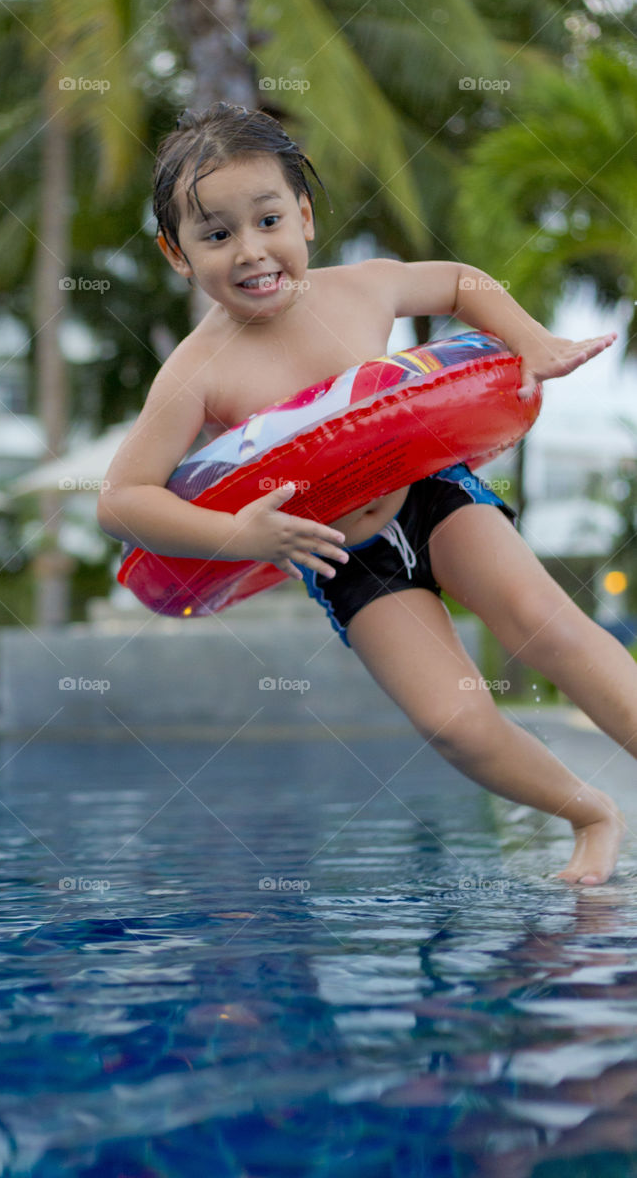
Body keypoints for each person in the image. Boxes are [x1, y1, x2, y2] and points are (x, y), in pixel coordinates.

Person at [98, 102, 635, 887]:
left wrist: (531, 338)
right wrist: (242, 539)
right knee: (453, 723)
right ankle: (590, 811)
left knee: (544, 628)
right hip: (339, 552)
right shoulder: (196, 368)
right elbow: (121, 500)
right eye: (216, 236)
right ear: (177, 255)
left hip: (429, 488)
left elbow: (458, 281)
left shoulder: (360, 290)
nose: (251, 251)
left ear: (305, 217)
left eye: (268, 219)